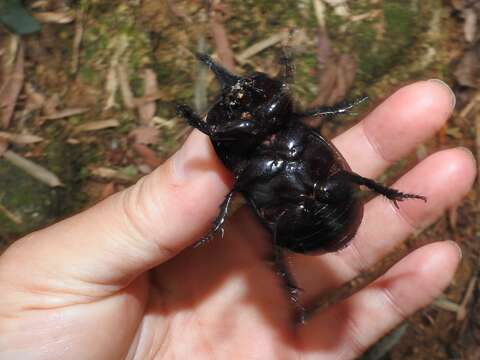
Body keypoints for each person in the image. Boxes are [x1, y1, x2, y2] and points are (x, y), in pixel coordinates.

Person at [0, 80, 476, 359]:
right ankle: (291, 275)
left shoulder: (263, 151)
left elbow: (309, 148)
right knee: (280, 224)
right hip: (310, 216)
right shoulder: (261, 152)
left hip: (326, 206)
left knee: (311, 201)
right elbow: (243, 184)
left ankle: (302, 266)